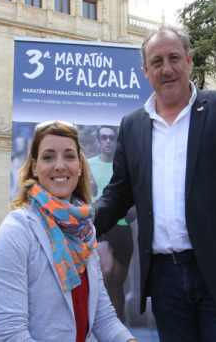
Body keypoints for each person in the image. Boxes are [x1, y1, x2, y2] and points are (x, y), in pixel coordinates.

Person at [95, 27, 216, 341]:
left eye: (174, 58)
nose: (167, 69)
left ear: (189, 61)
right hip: (165, 281)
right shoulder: (132, 125)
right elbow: (119, 192)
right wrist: (81, 222)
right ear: (145, 71)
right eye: (157, 61)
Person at [0, 121, 136, 342]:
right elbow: (10, 335)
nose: (60, 165)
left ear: (80, 166)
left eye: (69, 156)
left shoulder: (84, 230)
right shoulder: (16, 232)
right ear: (34, 167)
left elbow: (103, 318)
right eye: (48, 157)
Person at [88, 125, 133, 321]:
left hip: (123, 227)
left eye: (111, 138)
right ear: (98, 141)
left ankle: (118, 327)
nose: (108, 141)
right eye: (104, 138)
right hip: (100, 225)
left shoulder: (124, 166)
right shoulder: (88, 165)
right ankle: (100, 318)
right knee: (106, 269)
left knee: (117, 284)